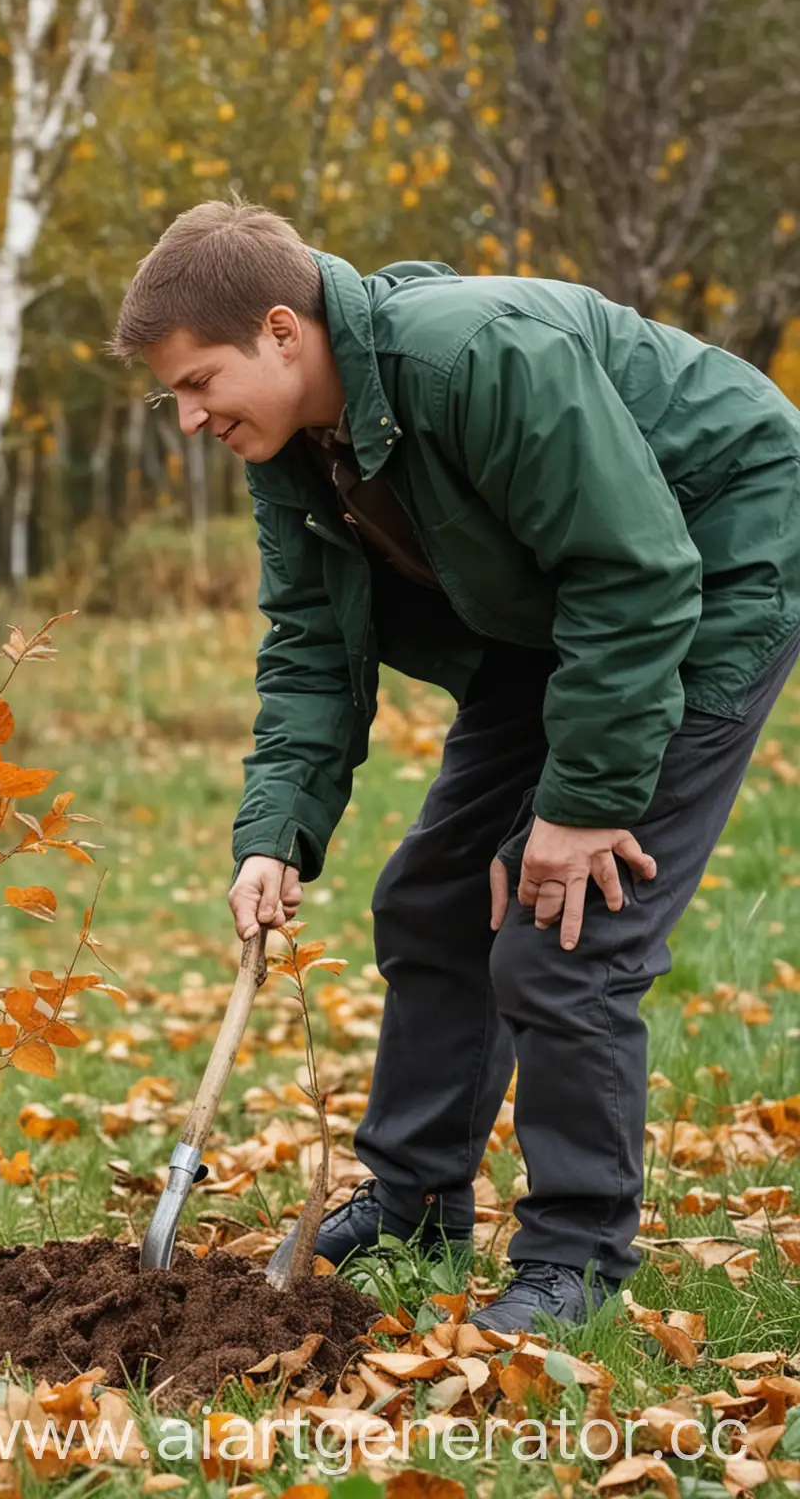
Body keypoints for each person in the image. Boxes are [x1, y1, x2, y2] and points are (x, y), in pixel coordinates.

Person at [111, 199, 800, 1331]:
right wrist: (273, 834)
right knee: (434, 899)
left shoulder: (475, 357)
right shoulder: (296, 447)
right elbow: (310, 648)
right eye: (172, 395)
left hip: (711, 565)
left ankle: (575, 1258)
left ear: (283, 332)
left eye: (199, 383)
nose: (187, 418)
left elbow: (635, 572)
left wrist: (578, 808)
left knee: (569, 923)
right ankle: (414, 1200)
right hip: (555, 611)